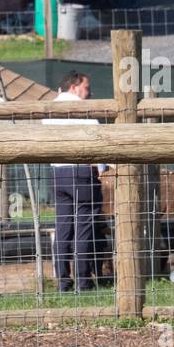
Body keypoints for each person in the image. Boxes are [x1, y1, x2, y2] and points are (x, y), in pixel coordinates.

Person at [43, 72, 104, 292]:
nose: (90, 92)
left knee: (63, 228)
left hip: (58, 174)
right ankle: (83, 282)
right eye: (87, 87)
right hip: (81, 172)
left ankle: (63, 281)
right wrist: (104, 168)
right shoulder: (81, 108)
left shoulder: (49, 111)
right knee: (84, 227)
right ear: (74, 87)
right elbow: (100, 140)